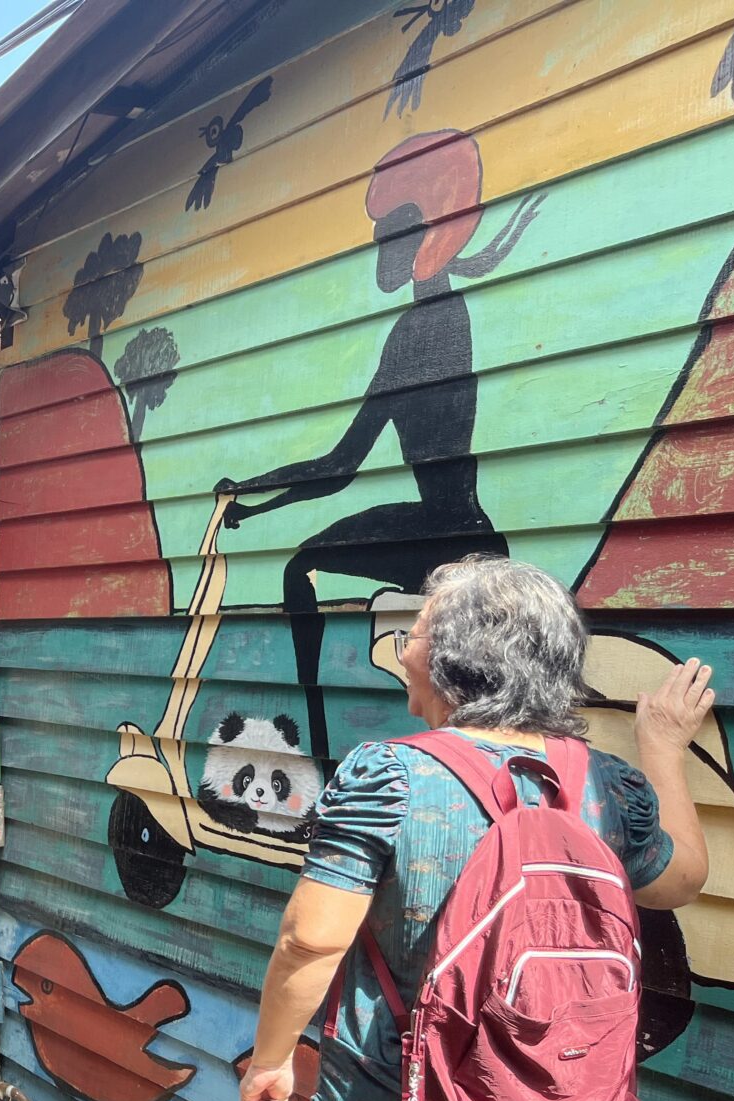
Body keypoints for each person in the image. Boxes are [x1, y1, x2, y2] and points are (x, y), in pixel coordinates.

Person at [238, 556, 712, 1101]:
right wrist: (660, 748)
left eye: (414, 631)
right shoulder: (604, 786)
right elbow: (682, 878)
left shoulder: (390, 774)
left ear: (454, 662)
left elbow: (310, 937)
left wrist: (270, 1060)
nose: (402, 646)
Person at [218, 130, 541, 768]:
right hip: (458, 526)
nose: (375, 244)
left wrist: (250, 494)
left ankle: (321, 759)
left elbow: (340, 466)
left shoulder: (422, 330)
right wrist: (254, 507)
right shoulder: (444, 314)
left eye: (389, 230)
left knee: (300, 569)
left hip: (448, 538)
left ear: (422, 236)